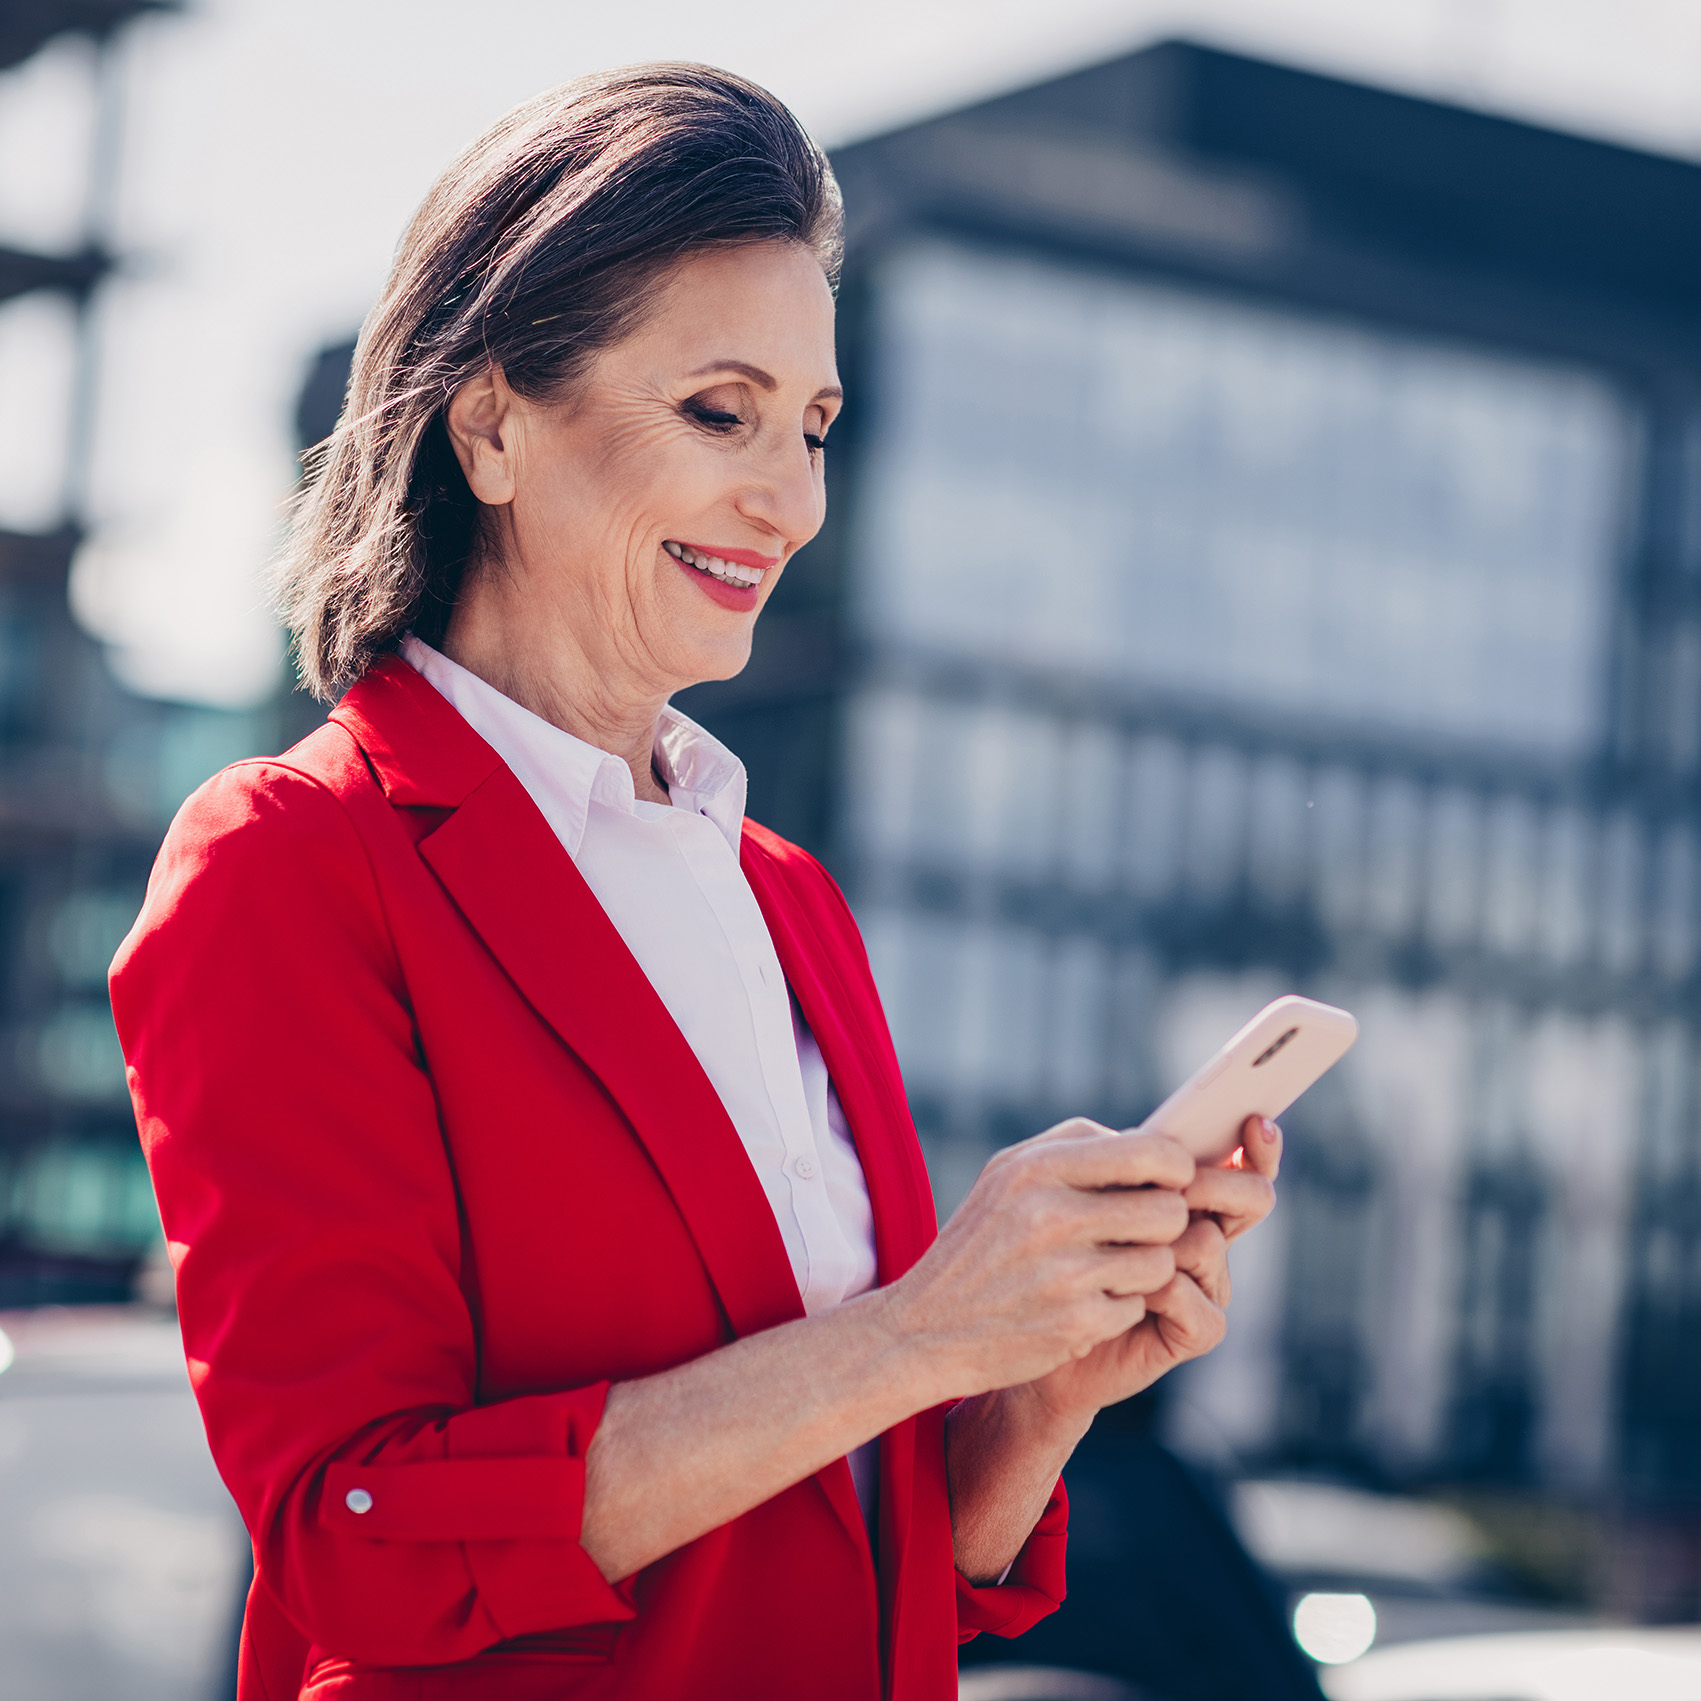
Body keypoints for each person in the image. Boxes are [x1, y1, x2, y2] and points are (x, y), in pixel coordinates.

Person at [109, 64, 1282, 1701]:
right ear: (495, 422)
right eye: (718, 413)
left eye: (812, 428)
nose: (788, 499)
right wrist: (917, 1332)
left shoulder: (785, 897)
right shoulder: (298, 863)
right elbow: (359, 1534)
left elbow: (834, 1557)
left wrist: (1028, 1398)